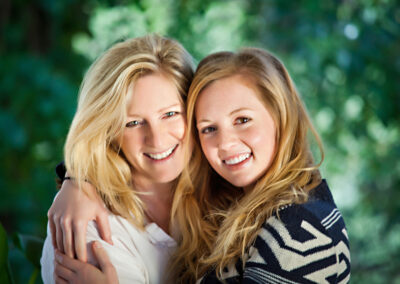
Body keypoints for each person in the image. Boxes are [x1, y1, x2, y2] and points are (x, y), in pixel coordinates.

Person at [52, 48, 351, 283]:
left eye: (243, 120)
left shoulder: (299, 229)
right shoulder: (230, 199)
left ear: (281, 117)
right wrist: (78, 177)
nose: (225, 143)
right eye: (208, 128)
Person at [40, 34, 194, 284]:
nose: (156, 139)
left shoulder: (223, 190)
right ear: (108, 131)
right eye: (132, 122)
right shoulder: (88, 225)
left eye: (170, 114)